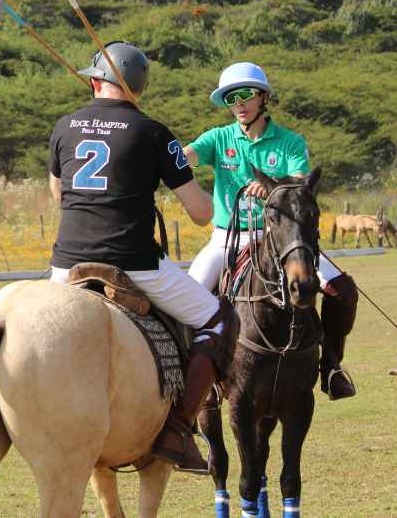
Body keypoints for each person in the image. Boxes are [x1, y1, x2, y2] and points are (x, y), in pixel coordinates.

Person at [47, 41, 235, 475]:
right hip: (133, 261)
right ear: (139, 88)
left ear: (95, 82)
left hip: (66, 263)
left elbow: (58, 193)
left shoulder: (64, 126)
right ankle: (177, 429)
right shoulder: (153, 133)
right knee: (218, 318)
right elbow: (203, 214)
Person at [184, 62, 358, 400]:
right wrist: (161, 151)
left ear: (263, 97)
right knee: (185, 300)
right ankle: (192, 383)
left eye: (246, 95)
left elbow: (299, 183)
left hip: (282, 239)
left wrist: (271, 187)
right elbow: (182, 157)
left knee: (344, 290)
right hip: (228, 239)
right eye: (231, 98)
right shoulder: (218, 139)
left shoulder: (290, 143)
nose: (239, 104)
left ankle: (331, 367)